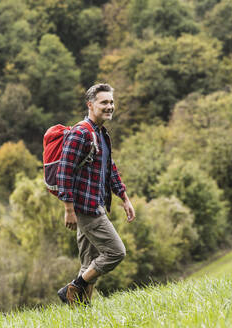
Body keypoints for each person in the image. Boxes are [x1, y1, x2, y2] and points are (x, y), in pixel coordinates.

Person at [56, 83, 135, 305]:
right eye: (104, 102)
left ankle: (82, 309)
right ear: (91, 105)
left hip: (96, 203)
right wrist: (68, 209)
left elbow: (110, 170)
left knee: (89, 261)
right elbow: (64, 172)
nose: (109, 106)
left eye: (111, 102)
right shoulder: (80, 133)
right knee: (115, 252)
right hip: (86, 208)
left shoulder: (100, 133)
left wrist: (125, 198)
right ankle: (74, 287)